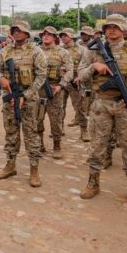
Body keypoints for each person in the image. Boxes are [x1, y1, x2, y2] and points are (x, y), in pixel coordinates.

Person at [78, 14, 127, 209]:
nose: (111, 30)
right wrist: (94, 67)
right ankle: (93, 182)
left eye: (116, 27)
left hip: (124, 105)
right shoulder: (92, 52)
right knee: (97, 145)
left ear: (124, 30)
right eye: (108, 27)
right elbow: (80, 76)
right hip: (101, 104)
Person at [0, 20, 48, 188]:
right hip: (10, 99)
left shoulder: (36, 51)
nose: (17, 33)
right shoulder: (4, 51)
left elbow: (41, 76)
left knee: (31, 135)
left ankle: (34, 170)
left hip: (30, 101)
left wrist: (27, 94)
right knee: (11, 133)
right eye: (14, 30)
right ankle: (10, 165)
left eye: (20, 30)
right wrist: (0, 78)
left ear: (27, 33)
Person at [37, 26, 73, 159]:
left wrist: (61, 85)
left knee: (56, 119)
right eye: (44, 34)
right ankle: (39, 144)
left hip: (54, 89)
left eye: (49, 34)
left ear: (54, 37)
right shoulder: (36, 51)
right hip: (38, 89)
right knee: (37, 118)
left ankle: (57, 146)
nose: (45, 36)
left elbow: (70, 70)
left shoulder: (62, 52)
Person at [60, 28, 89, 141]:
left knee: (80, 107)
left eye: (65, 35)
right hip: (62, 82)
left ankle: (84, 130)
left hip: (75, 82)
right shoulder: (59, 50)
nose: (63, 37)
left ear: (72, 36)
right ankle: (59, 128)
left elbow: (86, 65)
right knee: (59, 107)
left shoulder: (82, 49)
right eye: (61, 36)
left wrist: (80, 77)